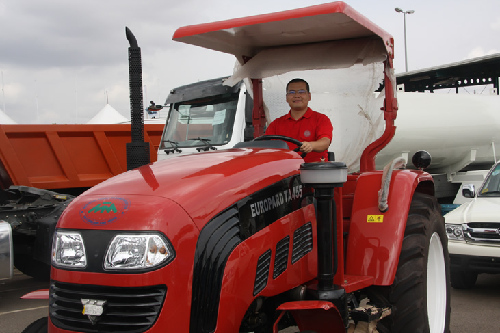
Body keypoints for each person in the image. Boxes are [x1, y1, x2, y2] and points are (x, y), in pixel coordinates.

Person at [265, 78, 333, 162]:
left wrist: (311, 145)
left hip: (314, 170)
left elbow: (325, 142)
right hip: (284, 170)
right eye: (292, 92)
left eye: (301, 92)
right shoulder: (276, 124)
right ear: (286, 98)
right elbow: (265, 147)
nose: (296, 95)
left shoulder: (321, 119)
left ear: (309, 96)